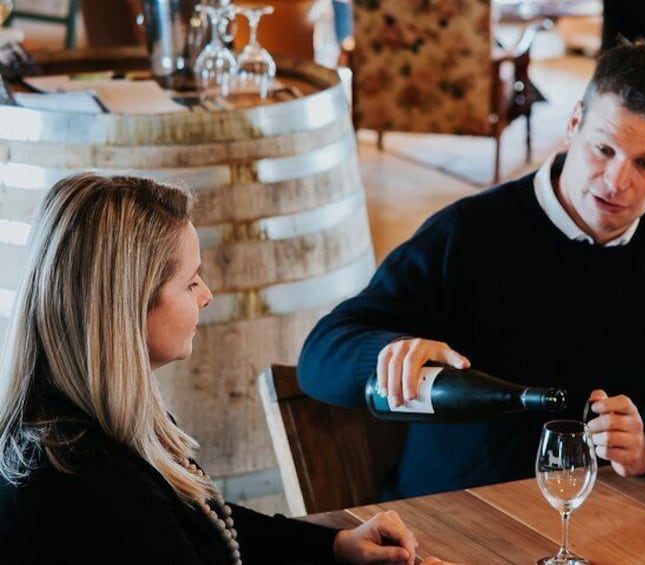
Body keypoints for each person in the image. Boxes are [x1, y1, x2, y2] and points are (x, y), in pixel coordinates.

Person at [298, 41, 645, 500]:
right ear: (573, 125)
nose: (618, 182)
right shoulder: (468, 232)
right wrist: (390, 352)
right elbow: (320, 357)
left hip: (599, 520)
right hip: (455, 520)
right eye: (603, 149)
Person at [0, 172, 458, 565]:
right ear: (128, 307)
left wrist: (334, 544)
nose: (207, 295)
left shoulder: (86, 422)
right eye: (191, 281)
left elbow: (203, 521)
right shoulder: (87, 484)